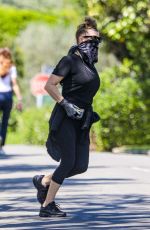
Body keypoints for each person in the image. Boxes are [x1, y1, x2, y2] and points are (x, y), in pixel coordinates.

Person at [33, 16, 102, 217]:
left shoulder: (90, 66)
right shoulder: (69, 60)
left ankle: (44, 180)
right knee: (68, 162)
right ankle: (47, 206)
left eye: (98, 40)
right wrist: (65, 104)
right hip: (65, 117)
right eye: (91, 39)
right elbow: (49, 85)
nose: (96, 44)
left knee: (81, 166)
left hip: (83, 119)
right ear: (81, 39)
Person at [0, 47, 22, 155]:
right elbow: (14, 84)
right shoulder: (11, 68)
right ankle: (1, 146)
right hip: (7, 96)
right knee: (4, 122)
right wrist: (19, 99)